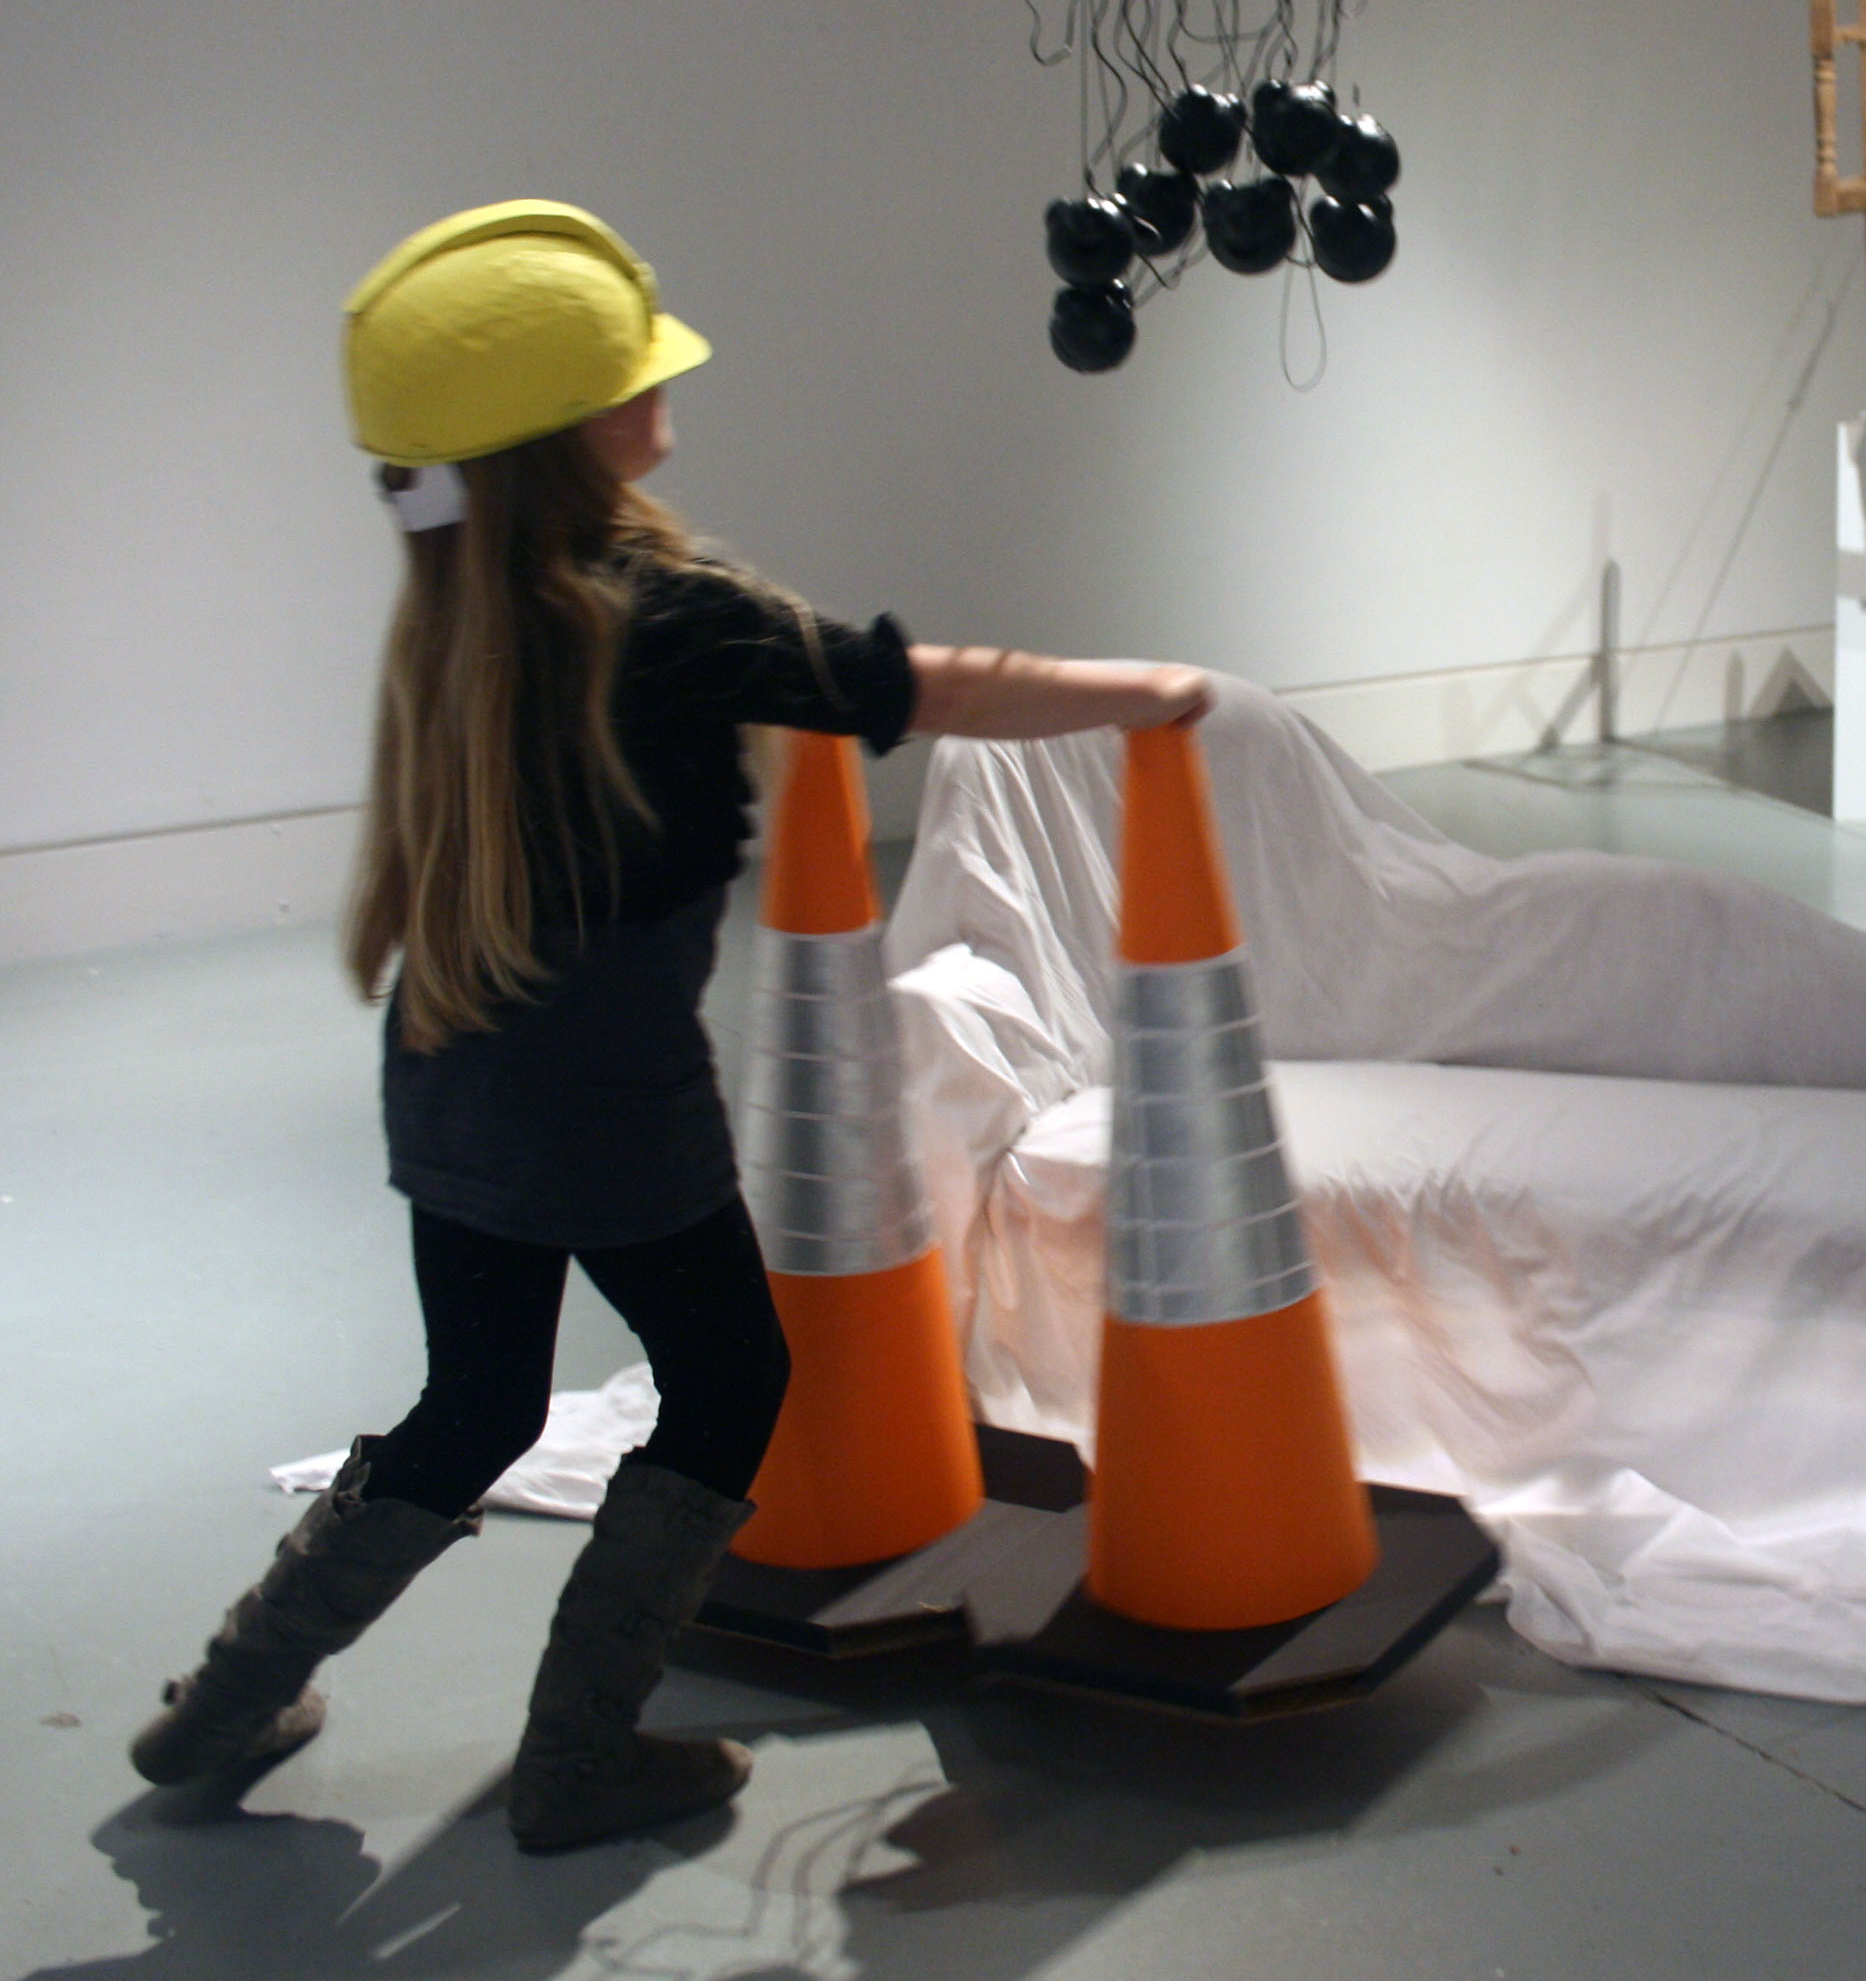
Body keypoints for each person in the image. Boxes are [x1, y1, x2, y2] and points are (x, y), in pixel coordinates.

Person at [129, 201, 1211, 1847]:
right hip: (614, 1106)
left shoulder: (472, 601)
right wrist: (1149, 693)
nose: (663, 387)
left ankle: (220, 1704)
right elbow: (919, 687)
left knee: (474, 1404)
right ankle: (581, 1756)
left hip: (451, 1073)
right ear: (571, 429)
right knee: (728, 1381)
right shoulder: (669, 614)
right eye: (630, 374)